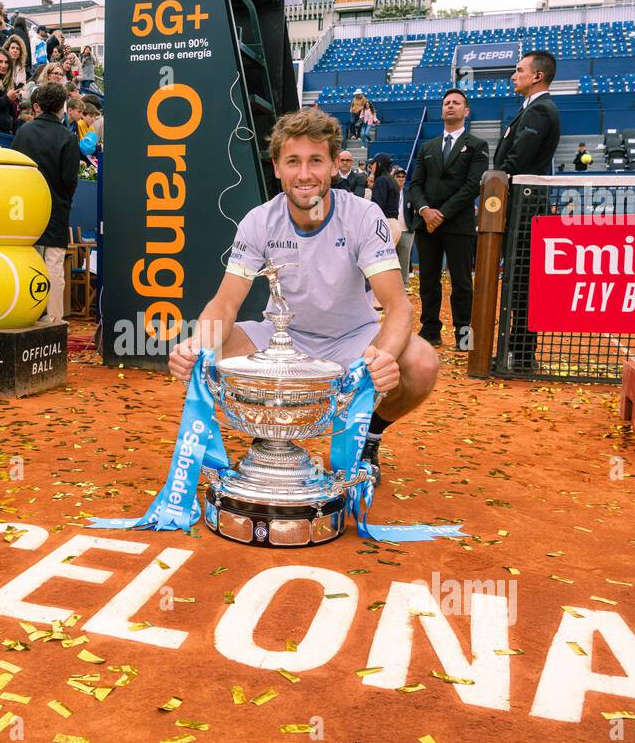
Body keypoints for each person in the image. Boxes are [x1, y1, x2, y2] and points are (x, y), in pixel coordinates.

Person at [168, 107, 439, 479]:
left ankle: (371, 433)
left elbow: (398, 307)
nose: (305, 174)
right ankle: (270, 434)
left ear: (333, 165)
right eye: (293, 161)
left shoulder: (363, 215)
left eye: (316, 160)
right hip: (284, 339)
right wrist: (195, 346)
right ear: (277, 167)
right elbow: (225, 303)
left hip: (353, 339)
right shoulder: (259, 220)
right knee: (209, 351)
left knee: (422, 363)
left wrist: (381, 358)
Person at [494, 50, 561, 373]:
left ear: (537, 76)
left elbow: (517, 160)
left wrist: (494, 182)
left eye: (519, 70)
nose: (513, 75)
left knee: (522, 282)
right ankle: (516, 351)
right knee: (517, 280)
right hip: (520, 206)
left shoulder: (540, 111)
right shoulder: (531, 110)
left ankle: (520, 354)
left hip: (525, 207)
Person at [409, 88, 490, 351]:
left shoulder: (477, 145)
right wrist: (424, 211)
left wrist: (440, 214)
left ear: (466, 111)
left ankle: (464, 336)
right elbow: (415, 185)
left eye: (456, 103)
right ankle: (430, 330)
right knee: (428, 281)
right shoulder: (427, 147)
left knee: (462, 283)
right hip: (426, 225)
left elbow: (471, 186)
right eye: (446, 103)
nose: (450, 106)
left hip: (457, 225)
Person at [10, 81, 80, 325]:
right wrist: (63, 200)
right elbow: (70, 179)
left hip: (22, 208)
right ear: (62, 107)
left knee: (25, 261)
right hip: (55, 208)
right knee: (53, 265)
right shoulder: (67, 137)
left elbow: (14, 171)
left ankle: (24, 315)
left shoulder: (23, 132)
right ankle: (53, 320)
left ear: (38, 106)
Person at [369, 153, 403, 282]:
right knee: (387, 263)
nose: (371, 166)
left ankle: (378, 299)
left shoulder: (382, 180)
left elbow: (377, 207)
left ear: (379, 164)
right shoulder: (391, 180)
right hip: (393, 224)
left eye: (374, 163)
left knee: (379, 265)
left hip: (385, 224)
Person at [392, 166, 412, 276]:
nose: (401, 178)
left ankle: (404, 284)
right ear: (394, 177)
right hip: (392, 230)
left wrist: (412, 227)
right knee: (390, 260)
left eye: (403, 177)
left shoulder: (409, 192)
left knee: (404, 260)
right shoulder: (390, 191)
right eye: (398, 176)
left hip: (406, 230)